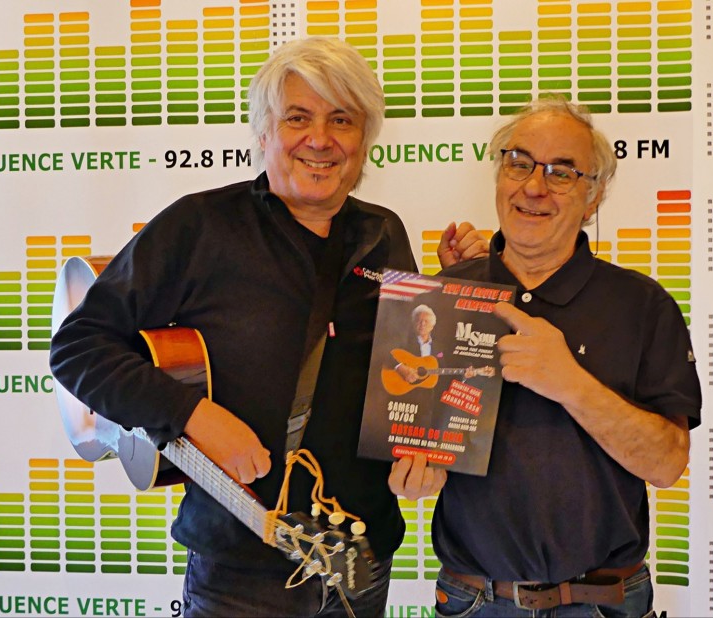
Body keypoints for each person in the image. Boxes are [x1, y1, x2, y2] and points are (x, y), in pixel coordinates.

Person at [50, 37, 486, 617]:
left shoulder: (385, 232)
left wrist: (457, 292)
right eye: (297, 118)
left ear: (364, 140)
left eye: (342, 120)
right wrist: (194, 416)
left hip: (360, 566)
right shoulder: (201, 226)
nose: (320, 139)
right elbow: (78, 347)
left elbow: (404, 380)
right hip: (240, 576)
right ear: (263, 134)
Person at [390, 96, 702, 616]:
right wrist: (416, 474)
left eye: (562, 172)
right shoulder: (443, 297)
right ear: (499, 177)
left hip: (605, 603)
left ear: (593, 197)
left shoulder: (642, 304)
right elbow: (415, 444)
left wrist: (569, 381)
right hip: (473, 601)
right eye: (519, 163)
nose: (534, 187)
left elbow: (668, 464)